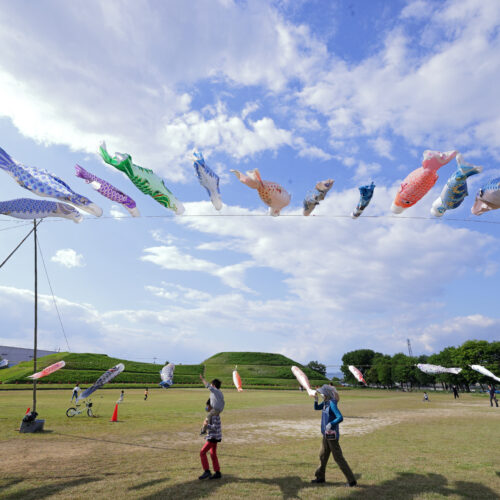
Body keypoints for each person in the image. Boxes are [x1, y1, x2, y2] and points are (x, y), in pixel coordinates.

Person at [311, 384, 357, 487]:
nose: (320, 393)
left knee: (338, 458)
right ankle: (320, 477)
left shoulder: (332, 403)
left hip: (332, 436)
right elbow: (316, 408)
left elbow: (340, 417)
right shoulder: (325, 403)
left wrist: (331, 424)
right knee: (322, 456)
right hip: (325, 435)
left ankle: (351, 481)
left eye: (321, 392)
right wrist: (316, 399)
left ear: (327, 393)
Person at [199, 398, 222, 480]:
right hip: (214, 437)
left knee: (202, 452)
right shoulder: (213, 414)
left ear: (211, 406)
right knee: (213, 454)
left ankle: (207, 471)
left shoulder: (214, 415)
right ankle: (217, 472)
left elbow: (215, 428)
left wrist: (206, 425)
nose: (206, 407)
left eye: (207, 406)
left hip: (213, 438)